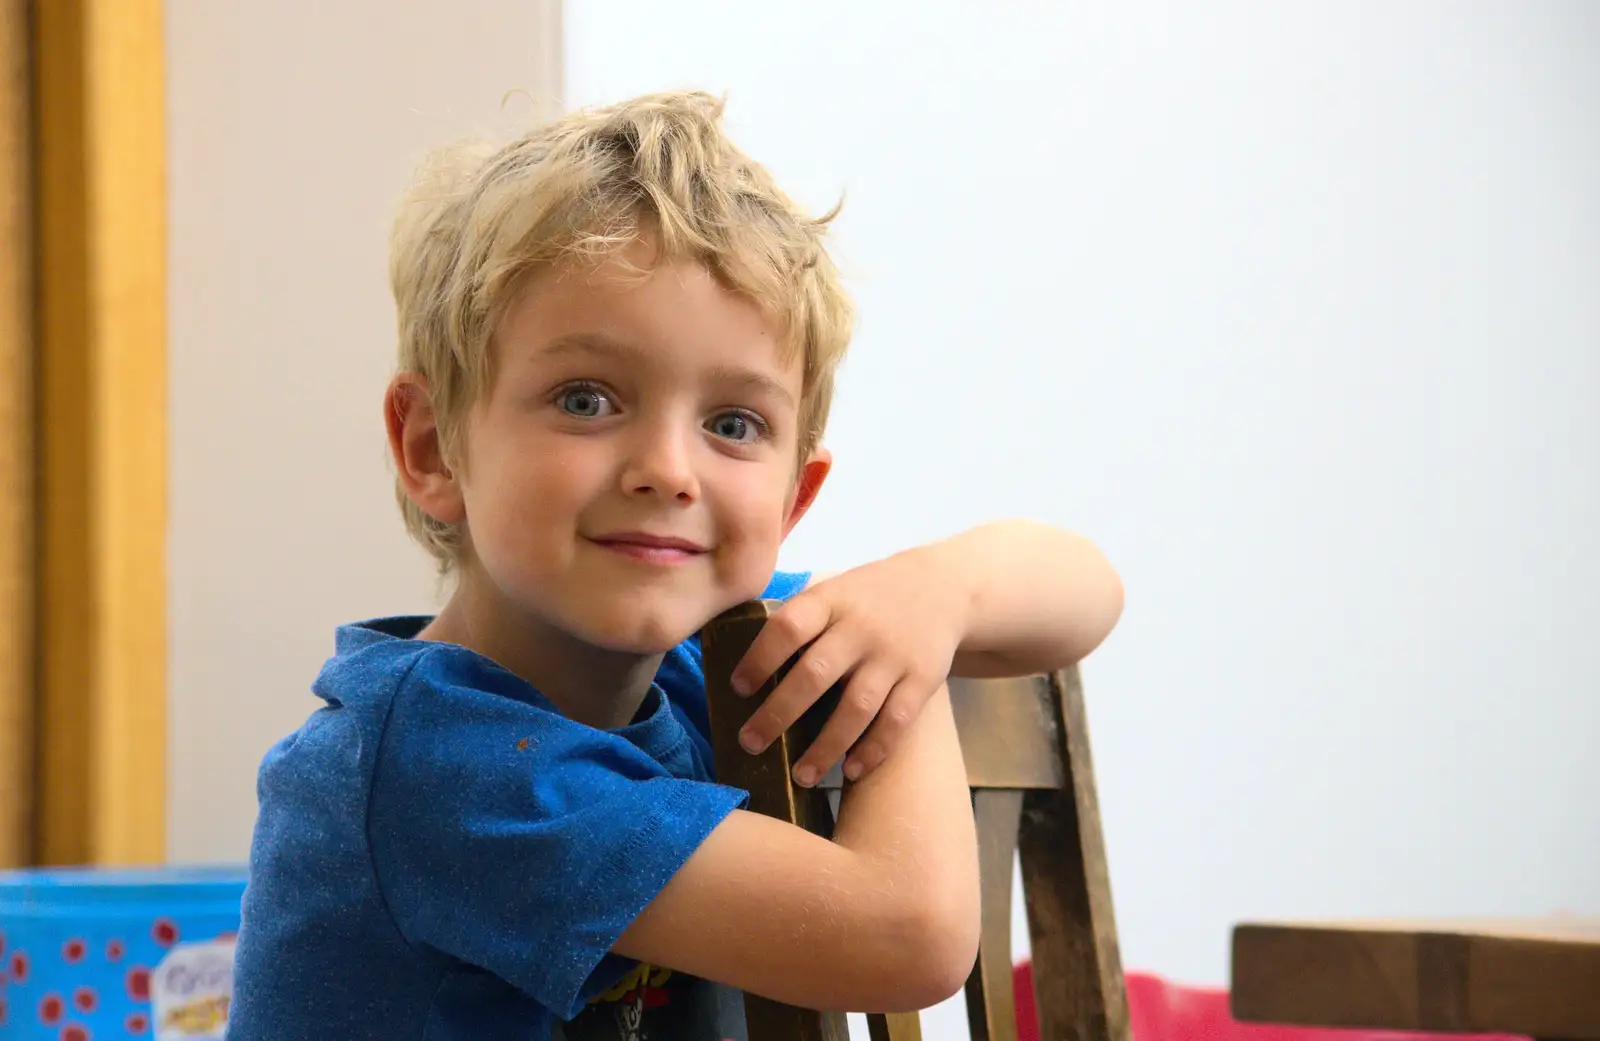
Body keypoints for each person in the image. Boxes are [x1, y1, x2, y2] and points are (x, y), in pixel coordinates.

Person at [229, 90, 1124, 1041]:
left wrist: (940, 594)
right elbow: (909, 940)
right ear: (434, 448)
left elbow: (1089, 588)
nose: (666, 469)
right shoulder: (438, 765)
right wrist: (922, 659)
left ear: (792, 499)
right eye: (585, 398)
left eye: (732, 424)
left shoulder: (715, 659)